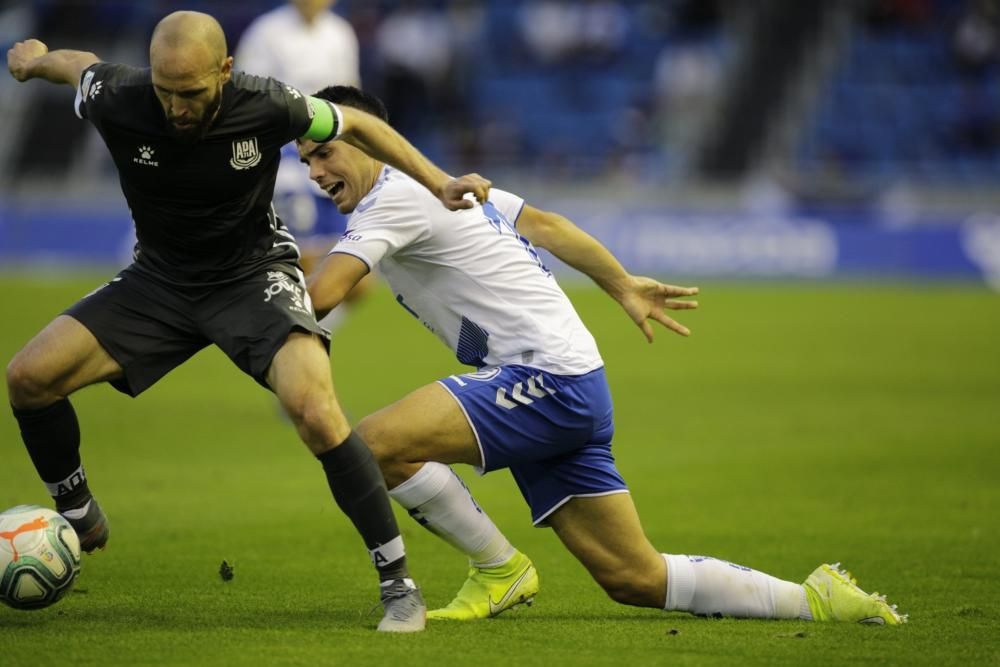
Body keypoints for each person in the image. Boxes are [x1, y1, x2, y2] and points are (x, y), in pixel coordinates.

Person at [299, 86, 908, 626]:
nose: (313, 170)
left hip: (543, 376)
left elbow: (321, 296)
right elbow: (548, 225)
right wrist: (621, 284)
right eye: (303, 159)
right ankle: (815, 600)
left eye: (323, 151)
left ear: (368, 139)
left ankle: (497, 567)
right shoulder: (438, 189)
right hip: (570, 378)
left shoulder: (395, 200)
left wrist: (238, 307)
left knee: (375, 444)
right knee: (634, 579)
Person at [4, 12, 488, 632]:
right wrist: (36, 58)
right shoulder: (120, 94)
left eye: (193, 93)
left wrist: (440, 181)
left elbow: (359, 122)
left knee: (315, 410)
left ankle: (399, 584)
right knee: (28, 377)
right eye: (165, 92)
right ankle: (77, 510)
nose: (177, 108)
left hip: (252, 277)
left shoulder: (267, 103)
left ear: (226, 73)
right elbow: (79, 67)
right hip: (158, 282)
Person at [234, 1, 368, 333]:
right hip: (285, 156)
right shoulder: (266, 33)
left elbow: (351, 98)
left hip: (333, 153)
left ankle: (305, 329)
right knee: (304, 257)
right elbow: (244, 94)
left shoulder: (341, 33)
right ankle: (288, 330)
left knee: (358, 274)